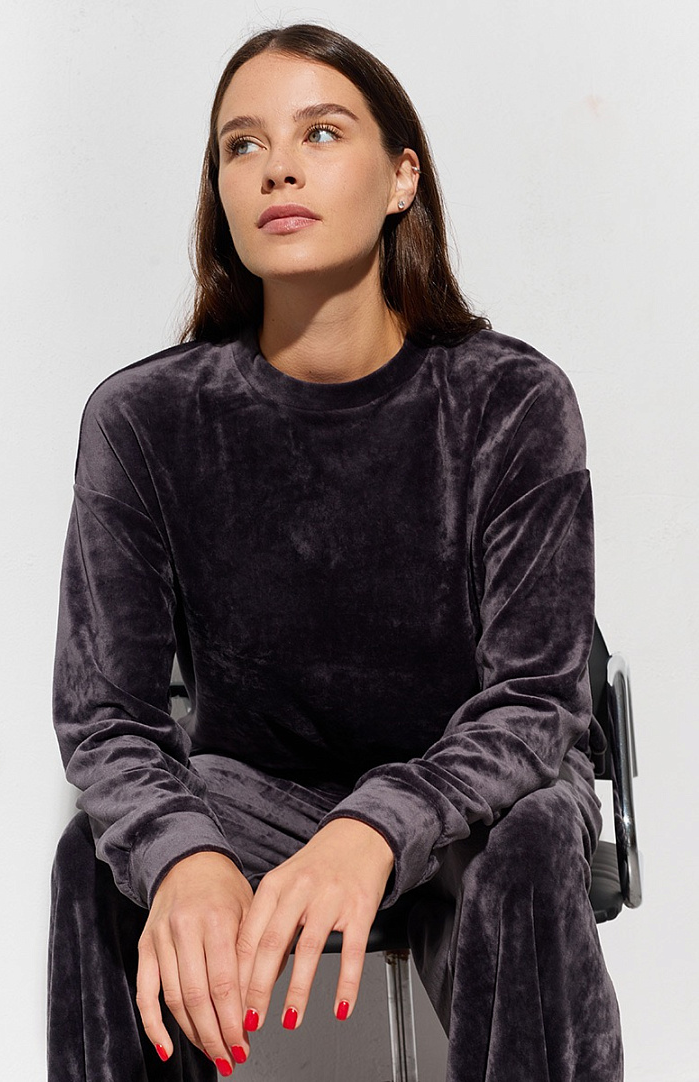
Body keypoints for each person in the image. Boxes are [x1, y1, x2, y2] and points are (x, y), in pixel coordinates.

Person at [47, 21, 623, 1082]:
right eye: (243, 145)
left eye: (320, 132)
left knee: (539, 835)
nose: (278, 167)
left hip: (473, 802)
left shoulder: (511, 403)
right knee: (99, 855)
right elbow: (106, 718)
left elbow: (539, 701)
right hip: (253, 793)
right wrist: (184, 854)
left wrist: (376, 827)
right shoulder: (143, 421)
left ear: (402, 177)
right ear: (221, 191)